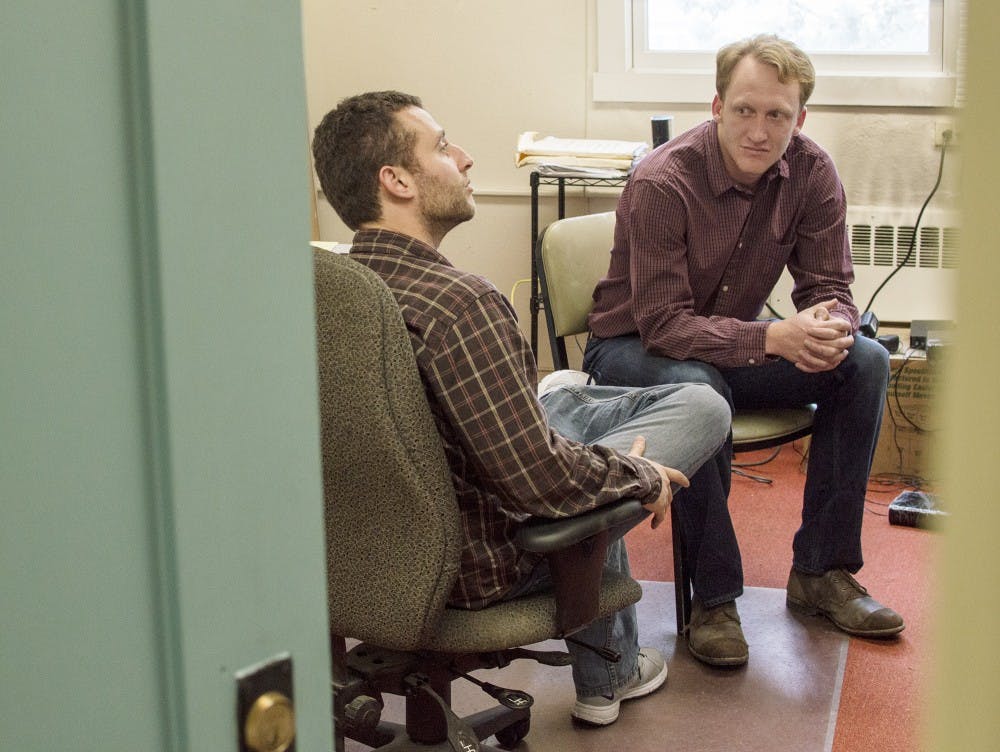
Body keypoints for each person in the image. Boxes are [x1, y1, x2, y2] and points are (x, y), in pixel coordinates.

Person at [312, 91, 731, 726]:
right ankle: (611, 669)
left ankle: (610, 669)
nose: (467, 158)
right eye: (444, 146)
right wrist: (635, 476)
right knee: (702, 406)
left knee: (559, 393)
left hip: (367, 557)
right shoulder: (460, 306)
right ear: (396, 180)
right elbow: (543, 484)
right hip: (481, 564)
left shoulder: (332, 291)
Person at [583, 33, 904, 668]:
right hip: (630, 349)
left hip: (726, 346)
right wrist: (770, 337)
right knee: (702, 388)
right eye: (745, 111)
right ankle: (714, 599)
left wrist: (831, 326)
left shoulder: (812, 172)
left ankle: (822, 572)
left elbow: (829, 286)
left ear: (800, 118)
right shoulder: (662, 181)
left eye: (777, 115)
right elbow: (665, 325)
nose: (759, 131)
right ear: (717, 106)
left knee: (863, 361)